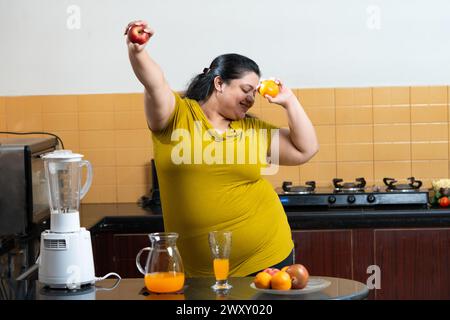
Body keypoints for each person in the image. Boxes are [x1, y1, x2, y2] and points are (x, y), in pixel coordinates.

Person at [125, 20, 319, 277]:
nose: (251, 99)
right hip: (199, 271)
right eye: (246, 90)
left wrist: (290, 102)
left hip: (266, 256)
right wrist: (137, 50)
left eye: (254, 93)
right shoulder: (177, 116)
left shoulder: (252, 130)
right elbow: (155, 82)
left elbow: (306, 149)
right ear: (219, 83)